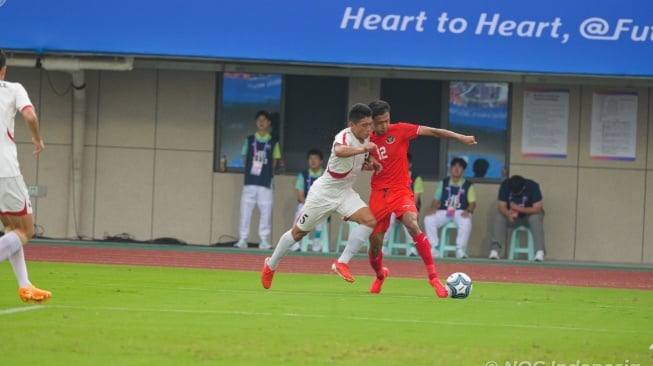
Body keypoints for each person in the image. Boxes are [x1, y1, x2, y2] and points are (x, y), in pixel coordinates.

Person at [339, 100, 477, 296]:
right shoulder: (364, 139)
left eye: (387, 120)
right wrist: (365, 164)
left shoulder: (401, 130)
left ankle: (434, 278)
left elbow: (434, 132)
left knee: (412, 223)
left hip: (401, 189)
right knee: (375, 244)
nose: (384, 126)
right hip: (379, 193)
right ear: (371, 122)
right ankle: (380, 274)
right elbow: (355, 161)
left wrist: (460, 137)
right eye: (379, 122)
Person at [261, 103, 380, 289]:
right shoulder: (344, 136)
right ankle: (271, 264)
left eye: (370, 124)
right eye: (364, 125)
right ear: (352, 124)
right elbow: (340, 151)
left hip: (345, 193)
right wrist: (365, 151)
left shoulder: (366, 139)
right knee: (298, 233)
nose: (369, 129)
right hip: (323, 194)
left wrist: (370, 162)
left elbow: (361, 159)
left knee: (370, 221)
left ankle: (342, 263)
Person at [0, 50, 52, 303]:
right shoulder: (12, 88)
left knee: (11, 227)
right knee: (25, 230)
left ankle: (25, 285)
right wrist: (36, 138)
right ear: (4, 70)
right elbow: (29, 114)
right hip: (4, 170)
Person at [234, 110, 281, 250]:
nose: (261, 122)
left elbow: (274, 162)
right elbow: (244, 159)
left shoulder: (273, 142)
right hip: (250, 182)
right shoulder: (248, 140)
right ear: (256, 122)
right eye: (259, 120)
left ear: (269, 123)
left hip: (266, 183)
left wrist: (266, 173)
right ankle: (243, 239)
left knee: (266, 212)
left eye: (264, 120)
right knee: (245, 211)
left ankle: (264, 240)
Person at [423, 157, 477, 259]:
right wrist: (433, 208)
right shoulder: (443, 182)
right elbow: (436, 200)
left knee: (466, 221)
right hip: (444, 211)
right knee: (428, 219)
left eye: (459, 167)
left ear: (464, 170)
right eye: (454, 166)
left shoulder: (468, 185)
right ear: (450, 169)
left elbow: (473, 203)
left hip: (460, 212)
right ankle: (435, 247)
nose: (456, 169)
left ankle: (460, 249)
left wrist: (468, 211)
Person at [489, 175, 546, 261]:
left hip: (528, 217)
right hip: (512, 217)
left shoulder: (533, 186)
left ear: (523, 188)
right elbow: (501, 206)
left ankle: (539, 252)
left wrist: (519, 209)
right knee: (499, 216)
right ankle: (495, 251)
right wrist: (508, 214)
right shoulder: (505, 185)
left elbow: (537, 208)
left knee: (535, 217)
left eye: (518, 193)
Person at [383, 152, 423, 257]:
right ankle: (384, 246)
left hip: (410, 208)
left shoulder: (416, 178)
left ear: (410, 164)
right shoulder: (394, 177)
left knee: (408, 217)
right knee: (387, 216)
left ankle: (412, 248)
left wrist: (404, 211)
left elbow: (415, 200)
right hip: (395, 208)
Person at [290, 149, 327, 252]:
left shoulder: (326, 175)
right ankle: (295, 243)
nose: (313, 161)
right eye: (311, 159)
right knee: (299, 211)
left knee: (322, 213)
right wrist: (309, 205)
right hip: (306, 204)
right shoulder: (303, 175)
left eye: (316, 158)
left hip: (321, 205)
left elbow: (329, 194)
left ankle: (317, 240)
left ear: (321, 161)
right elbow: (300, 196)